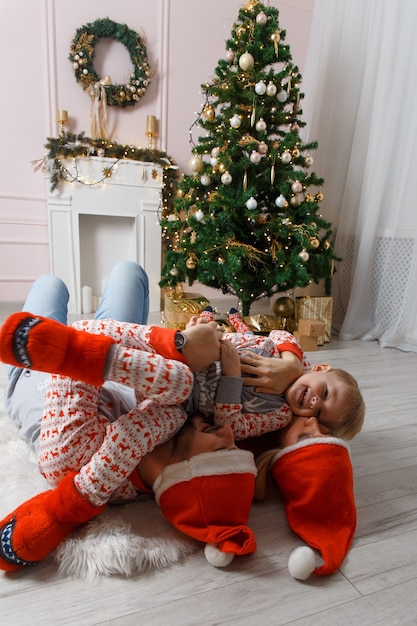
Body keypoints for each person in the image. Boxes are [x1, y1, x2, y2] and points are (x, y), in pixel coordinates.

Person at [0, 262, 257, 572]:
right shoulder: (175, 429)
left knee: (49, 285)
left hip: (36, 366)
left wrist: (179, 345)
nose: (228, 433)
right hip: (117, 369)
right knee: (129, 272)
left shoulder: (72, 454)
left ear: (181, 472)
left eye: (220, 449)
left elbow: (78, 337)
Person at [187, 307, 365, 443]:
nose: (315, 402)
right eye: (325, 393)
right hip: (195, 350)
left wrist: (231, 376)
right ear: (320, 369)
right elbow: (279, 334)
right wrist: (292, 364)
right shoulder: (299, 362)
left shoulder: (280, 415)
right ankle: (212, 322)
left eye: (318, 413)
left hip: (188, 397)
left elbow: (232, 428)